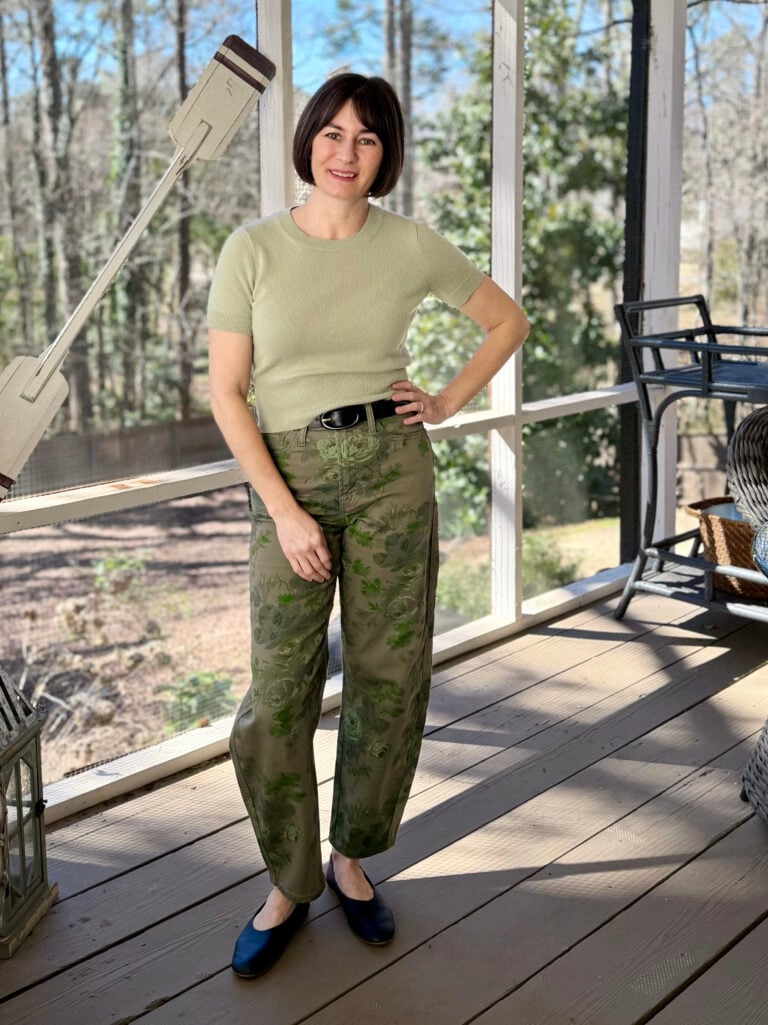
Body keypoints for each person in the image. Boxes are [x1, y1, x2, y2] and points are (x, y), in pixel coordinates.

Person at [207, 71, 529, 979]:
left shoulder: (410, 246)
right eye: (333, 133)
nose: (346, 152)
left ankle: (350, 861)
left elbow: (506, 322)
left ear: (385, 154)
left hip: (392, 469)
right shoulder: (254, 249)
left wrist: (446, 399)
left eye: (367, 138)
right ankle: (288, 879)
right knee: (277, 697)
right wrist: (282, 509)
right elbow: (228, 394)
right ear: (309, 139)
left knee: (390, 677)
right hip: (290, 478)